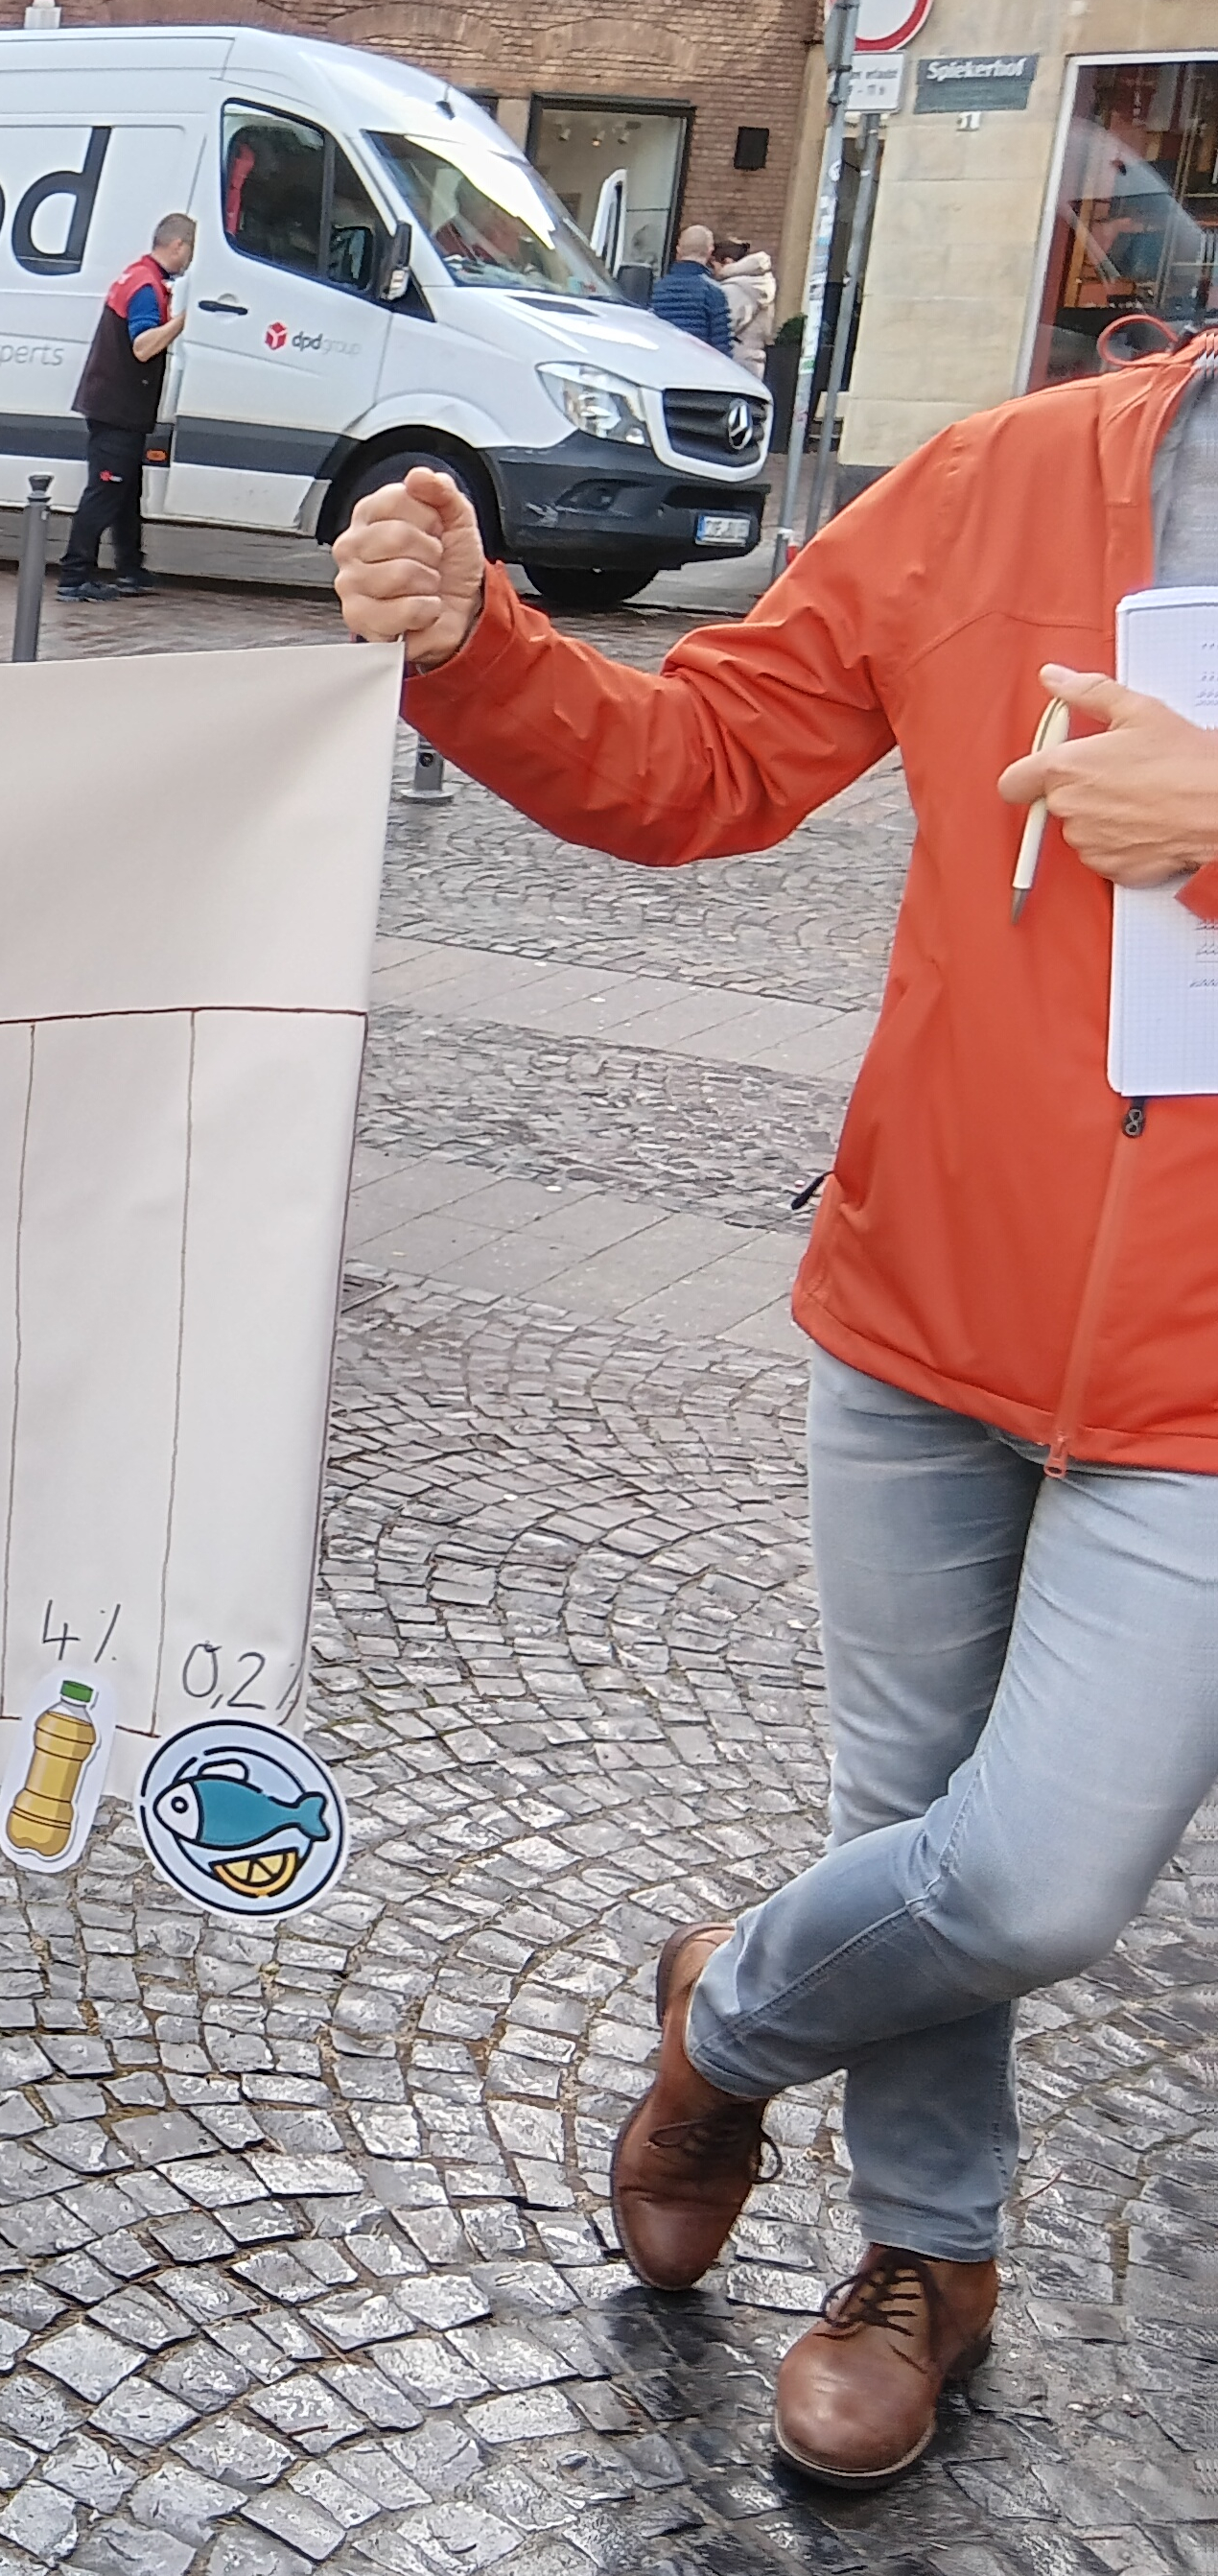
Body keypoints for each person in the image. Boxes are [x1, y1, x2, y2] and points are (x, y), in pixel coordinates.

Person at [331, 330, 1218, 2491]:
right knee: (908, 1800)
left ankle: (721, 2011)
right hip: (924, 1301)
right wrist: (478, 638)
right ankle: (927, 2252)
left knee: (1021, 1878)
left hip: (1199, 1378)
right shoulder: (1011, 479)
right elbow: (703, 755)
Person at [62, 211, 194, 601]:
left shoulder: (139, 275)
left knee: (126, 491)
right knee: (105, 491)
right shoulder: (146, 286)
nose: (189, 261)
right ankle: (74, 576)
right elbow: (142, 346)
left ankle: (130, 569)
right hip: (116, 408)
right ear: (177, 245)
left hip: (120, 408)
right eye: (190, 251)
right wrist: (183, 322)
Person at [649, 223, 738, 355]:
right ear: (710, 251)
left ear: (679, 249)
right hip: (697, 367)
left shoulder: (659, 287)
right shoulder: (713, 292)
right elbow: (721, 347)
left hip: (662, 363)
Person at [721, 236, 781, 379]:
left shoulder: (737, 287)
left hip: (737, 359)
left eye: (713, 264)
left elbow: (727, 324)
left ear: (727, 261)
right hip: (752, 357)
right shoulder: (756, 281)